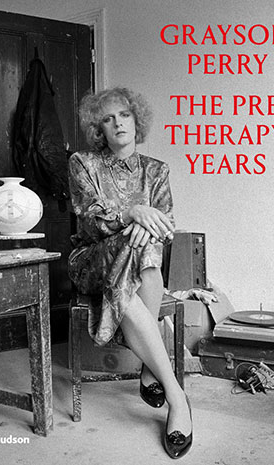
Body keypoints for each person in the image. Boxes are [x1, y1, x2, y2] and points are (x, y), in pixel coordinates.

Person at [68, 87, 192, 459]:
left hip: (139, 263)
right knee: (139, 242)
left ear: (137, 120)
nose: (118, 123)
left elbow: (166, 226)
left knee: (147, 244)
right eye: (108, 119)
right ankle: (175, 393)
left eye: (124, 115)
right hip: (92, 261)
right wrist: (132, 215)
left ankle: (153, 373)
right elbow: (89, 221)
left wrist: (145, 227)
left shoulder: (157, 170)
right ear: (99, 129)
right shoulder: (83, 163)